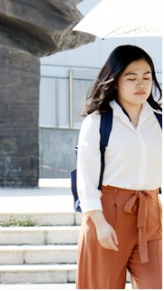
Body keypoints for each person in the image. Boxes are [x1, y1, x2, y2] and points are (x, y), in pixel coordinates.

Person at [75, 45, 162, 289]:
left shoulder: (159, 121)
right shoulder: (98, 122)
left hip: (150, 212)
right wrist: (99, 223)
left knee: (154, 285)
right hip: (108, 213)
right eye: (131, 77)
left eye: (147, 77)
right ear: (115, 81)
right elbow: (86, 178)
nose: (141, 84)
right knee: (102, 286)